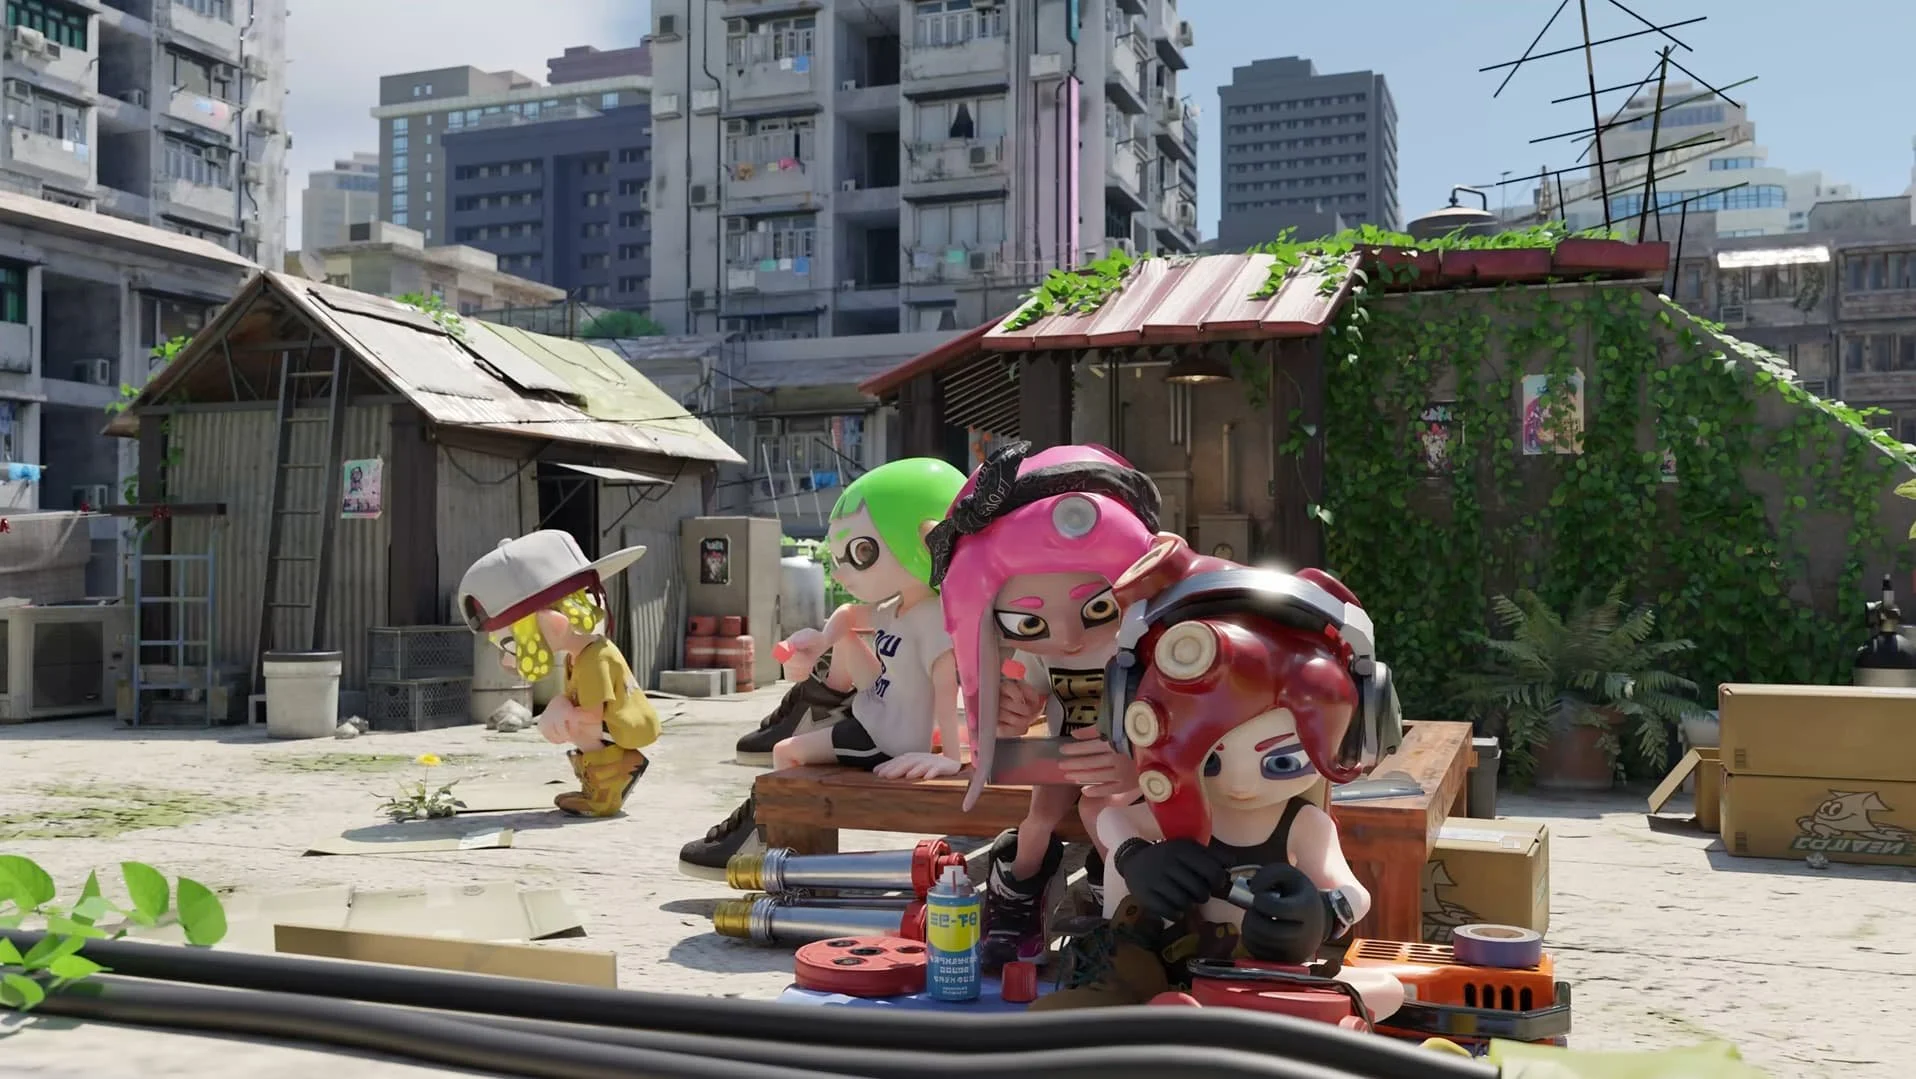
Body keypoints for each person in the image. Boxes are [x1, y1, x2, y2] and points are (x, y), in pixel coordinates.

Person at [1031, 535, 1391, 1011]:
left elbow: (1352, 891)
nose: (1240, 785)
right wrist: (1137, 858)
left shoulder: (1304, 825)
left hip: (1258, 977)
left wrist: (1321, 914)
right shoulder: (1174, 806)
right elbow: (1114, 820)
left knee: (1387, 990)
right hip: (1156, 967)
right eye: (1211, 760)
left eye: (1280, 761)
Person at [929, 441, 1165, 970]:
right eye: (1029, 622)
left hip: (1141, 765)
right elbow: (1034, 693)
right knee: (1038, 821)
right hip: (1066, 754)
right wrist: (1014, 709)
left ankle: (1120, 906)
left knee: (1105, 813)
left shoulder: (1153, 646)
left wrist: (1139, 763)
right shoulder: (1044, 655)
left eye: (1097, 608)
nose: (1068, 639)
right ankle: (1020, 894)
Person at [678, 457, 968, 877]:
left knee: (785, 751)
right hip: (874, 707)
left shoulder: (934, 618)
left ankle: (763, 839)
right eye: (838, 557)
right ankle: (826, 702)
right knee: (846, 634)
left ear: (926, 541)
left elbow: (946, 687)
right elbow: (848, 615)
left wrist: (950, 757)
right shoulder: (896, 607)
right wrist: (821, 641)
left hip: (884, 739)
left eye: (862, 552)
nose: (843, 572)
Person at [456, 530, 659, 818]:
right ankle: (600, 782)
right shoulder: (582, 656)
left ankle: (609, 786)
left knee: (574, 725)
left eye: (513, 643)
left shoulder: (594, 660)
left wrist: (558, 712)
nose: (510, 657)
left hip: (625, 727)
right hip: (614, 724)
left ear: (553, 625)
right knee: (568, 719)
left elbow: (591, 716)